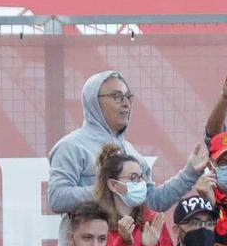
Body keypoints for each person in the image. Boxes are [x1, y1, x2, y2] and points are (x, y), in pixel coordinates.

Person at [48, 70, 206, 217]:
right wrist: (110, 190)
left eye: (128, 97)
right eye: (117, 96)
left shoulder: (132, 153)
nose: (126, 103)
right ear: (94, 101)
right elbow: (57, 198)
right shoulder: (71, 146)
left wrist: (189, 173)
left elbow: (154, 201)